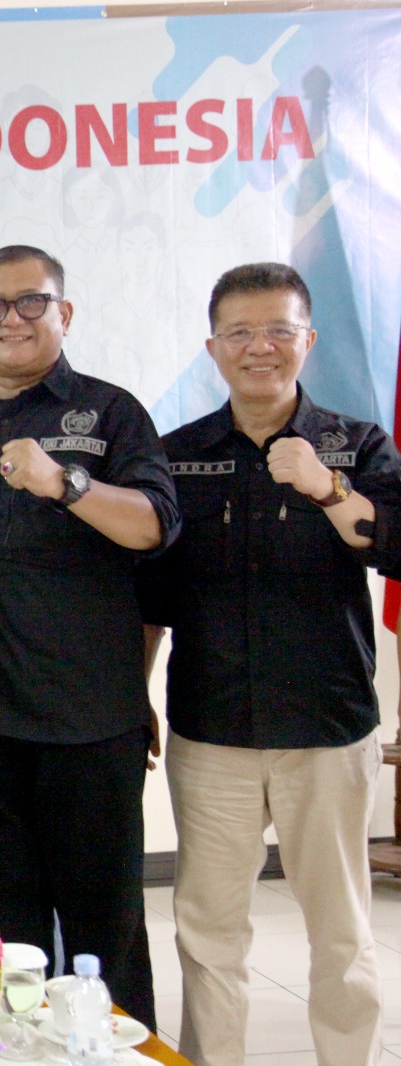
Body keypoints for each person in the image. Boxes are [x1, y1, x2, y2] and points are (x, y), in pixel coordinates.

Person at [140, 263, 397, 1066]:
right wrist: (135, 695)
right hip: (212, 728)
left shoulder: (356, 444)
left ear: (307, 339)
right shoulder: (177, 454)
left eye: (279, 330)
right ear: (213, 347)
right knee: (208, 931)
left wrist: (327, 488)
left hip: (328, 728)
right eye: (241, 332)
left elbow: (393, 547)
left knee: (341, 933)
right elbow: (153, 596)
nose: (261, 348)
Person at [0, 245, 178, 1028]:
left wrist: (64, 482)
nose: (13, 319)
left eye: (32, 301)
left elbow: (155, 527)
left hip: (88, 725)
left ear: (64, 313)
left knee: (107, 935)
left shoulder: (111, 413)